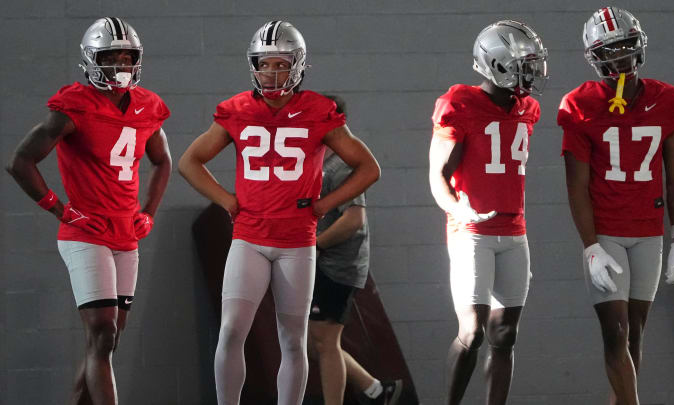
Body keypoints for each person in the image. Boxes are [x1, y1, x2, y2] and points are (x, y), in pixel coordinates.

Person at [177, 20, 380, 405]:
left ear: (297, 66)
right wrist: (227, 200)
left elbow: (369, 168)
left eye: (281, 64)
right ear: (253, 65)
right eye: (264, 63)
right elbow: (189, 161)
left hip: (296, 241)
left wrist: (323, 205)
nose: (272, 72)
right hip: (250, 237)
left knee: (292, 337)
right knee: (232, 329)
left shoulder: (319, 110)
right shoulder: (237, 109)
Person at [6, 17, 171, 405]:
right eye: (110, 57)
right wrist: (60, 210)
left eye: (126, 57)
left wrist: (149, 211)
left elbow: (162, 161)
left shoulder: (148, 106)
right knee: (103, 332)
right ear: (91, 60)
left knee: (106, 341)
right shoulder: (73, 105)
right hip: (85, 233)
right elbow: (21, 161)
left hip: (125, 233)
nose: (120, 66)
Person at [558, 7, 674, 405]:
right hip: (606, 232)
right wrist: (591, 246)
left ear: (639, 46)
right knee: (614, 331)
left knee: (635, 332)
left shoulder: (668, 99)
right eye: (610, 53)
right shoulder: (579, 104)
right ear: (596, 58)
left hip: (648, 231)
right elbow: (576, 186)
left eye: (626, 48)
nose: (621, 61)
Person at [428, 20, 548, 405]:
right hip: (472, 232)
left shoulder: (528, 108)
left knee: (505, 335)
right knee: (474, 332)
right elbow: (438, 176)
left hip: (515, 231)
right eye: (523, 64)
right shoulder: (458, 104)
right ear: (495, 63)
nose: (531, 72)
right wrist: (457, 207)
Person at [307, 95, 402, 405]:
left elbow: (354, 219)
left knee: (324, 343)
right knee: (318, 341)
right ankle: (376, 390)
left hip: (336, 267)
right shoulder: (318, 160)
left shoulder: (344, 164)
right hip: (321, 264)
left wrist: (315, 246)